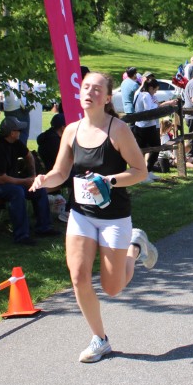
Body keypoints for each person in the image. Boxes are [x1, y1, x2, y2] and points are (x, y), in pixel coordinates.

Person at [30, 71, 159, 363]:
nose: (89, 92)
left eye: (97, 89)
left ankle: (135, 246)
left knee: (113, 288)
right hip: (82, 214)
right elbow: (60, 172)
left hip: (114, 217)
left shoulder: (118, 130)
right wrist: (44, 180)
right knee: (78, 276)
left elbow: (140, 171)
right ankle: (100, 339)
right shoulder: (71, 131)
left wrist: (108, 181)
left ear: (107, 97)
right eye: (86, 87)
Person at [0, 117, 56, 245]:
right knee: (16, 192)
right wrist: (25, 181)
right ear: (12, 133)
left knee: (38, 188)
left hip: (7, 183)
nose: (21, 132)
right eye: (19, 130)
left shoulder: (15, 142)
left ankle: (44, 227)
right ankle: (21, 235)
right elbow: (0, 179)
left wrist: (32, 176)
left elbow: (29, 156)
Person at [134, 76, 178, 181]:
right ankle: (141, 175)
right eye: (155, 90)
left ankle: (148, 171)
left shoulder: (151, 96)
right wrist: (165, 107)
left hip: (151, 126)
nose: (156, 92)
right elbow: (150, 110)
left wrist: (168, 103)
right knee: (142, 151)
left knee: (156, 149)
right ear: (150, 88)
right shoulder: (145, 95)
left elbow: (157, 106)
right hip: (143, 127)